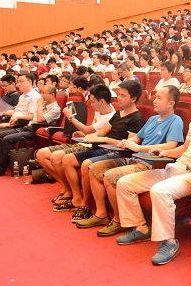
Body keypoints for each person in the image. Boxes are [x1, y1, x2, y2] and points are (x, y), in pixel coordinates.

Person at [114, 79, 191, 265]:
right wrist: (164, 152)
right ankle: (140, 228)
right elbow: (185, 148)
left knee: (159, 190)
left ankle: (169, 241)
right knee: (125, 183)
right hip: (176, 167)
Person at [74, 86, 185, 233]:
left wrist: (139, 148)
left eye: (159, 98)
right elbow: (137, 138)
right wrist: (126, 142)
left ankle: (118, 220)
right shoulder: (152, 119)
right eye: (155, 97)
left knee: (110, 176)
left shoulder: (175, 121)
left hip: (150, 163)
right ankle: (101, 214)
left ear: (171, 103)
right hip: (134, 158)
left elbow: (171, 145)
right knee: (93, 169)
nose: (154, 100)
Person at [53, 80, 146, 213]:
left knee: (86, 164)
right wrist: (90, 137)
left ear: (133, 99)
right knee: (67, 160)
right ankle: (77, 198)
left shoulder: (136, 118)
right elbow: (102, 132)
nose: (119, 98)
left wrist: (103, 139)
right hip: (103, 147)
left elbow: (128, 145)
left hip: (117, 152)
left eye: (123, 95)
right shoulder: (118, 113)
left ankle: (85, 204)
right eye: (119, 94)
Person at [0, 85, 61, 179]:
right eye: (41, 92)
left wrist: (39, 105)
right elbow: (32, 117)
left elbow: (40, 119)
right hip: (27, 127)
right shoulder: (44, 105)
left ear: (52, 95)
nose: (41, 95)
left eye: (43, 93)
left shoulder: (55, 109)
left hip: (35, 131)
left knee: (7, 139)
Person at [0, 73, 40, 173]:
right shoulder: (22, 96)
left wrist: (16, 119)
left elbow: (31, 116)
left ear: (29, 82)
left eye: (21, 81)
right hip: (12, 122)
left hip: (20, 124)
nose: (18, 84)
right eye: (18, 81)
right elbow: (15, 111)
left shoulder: (35, 97)